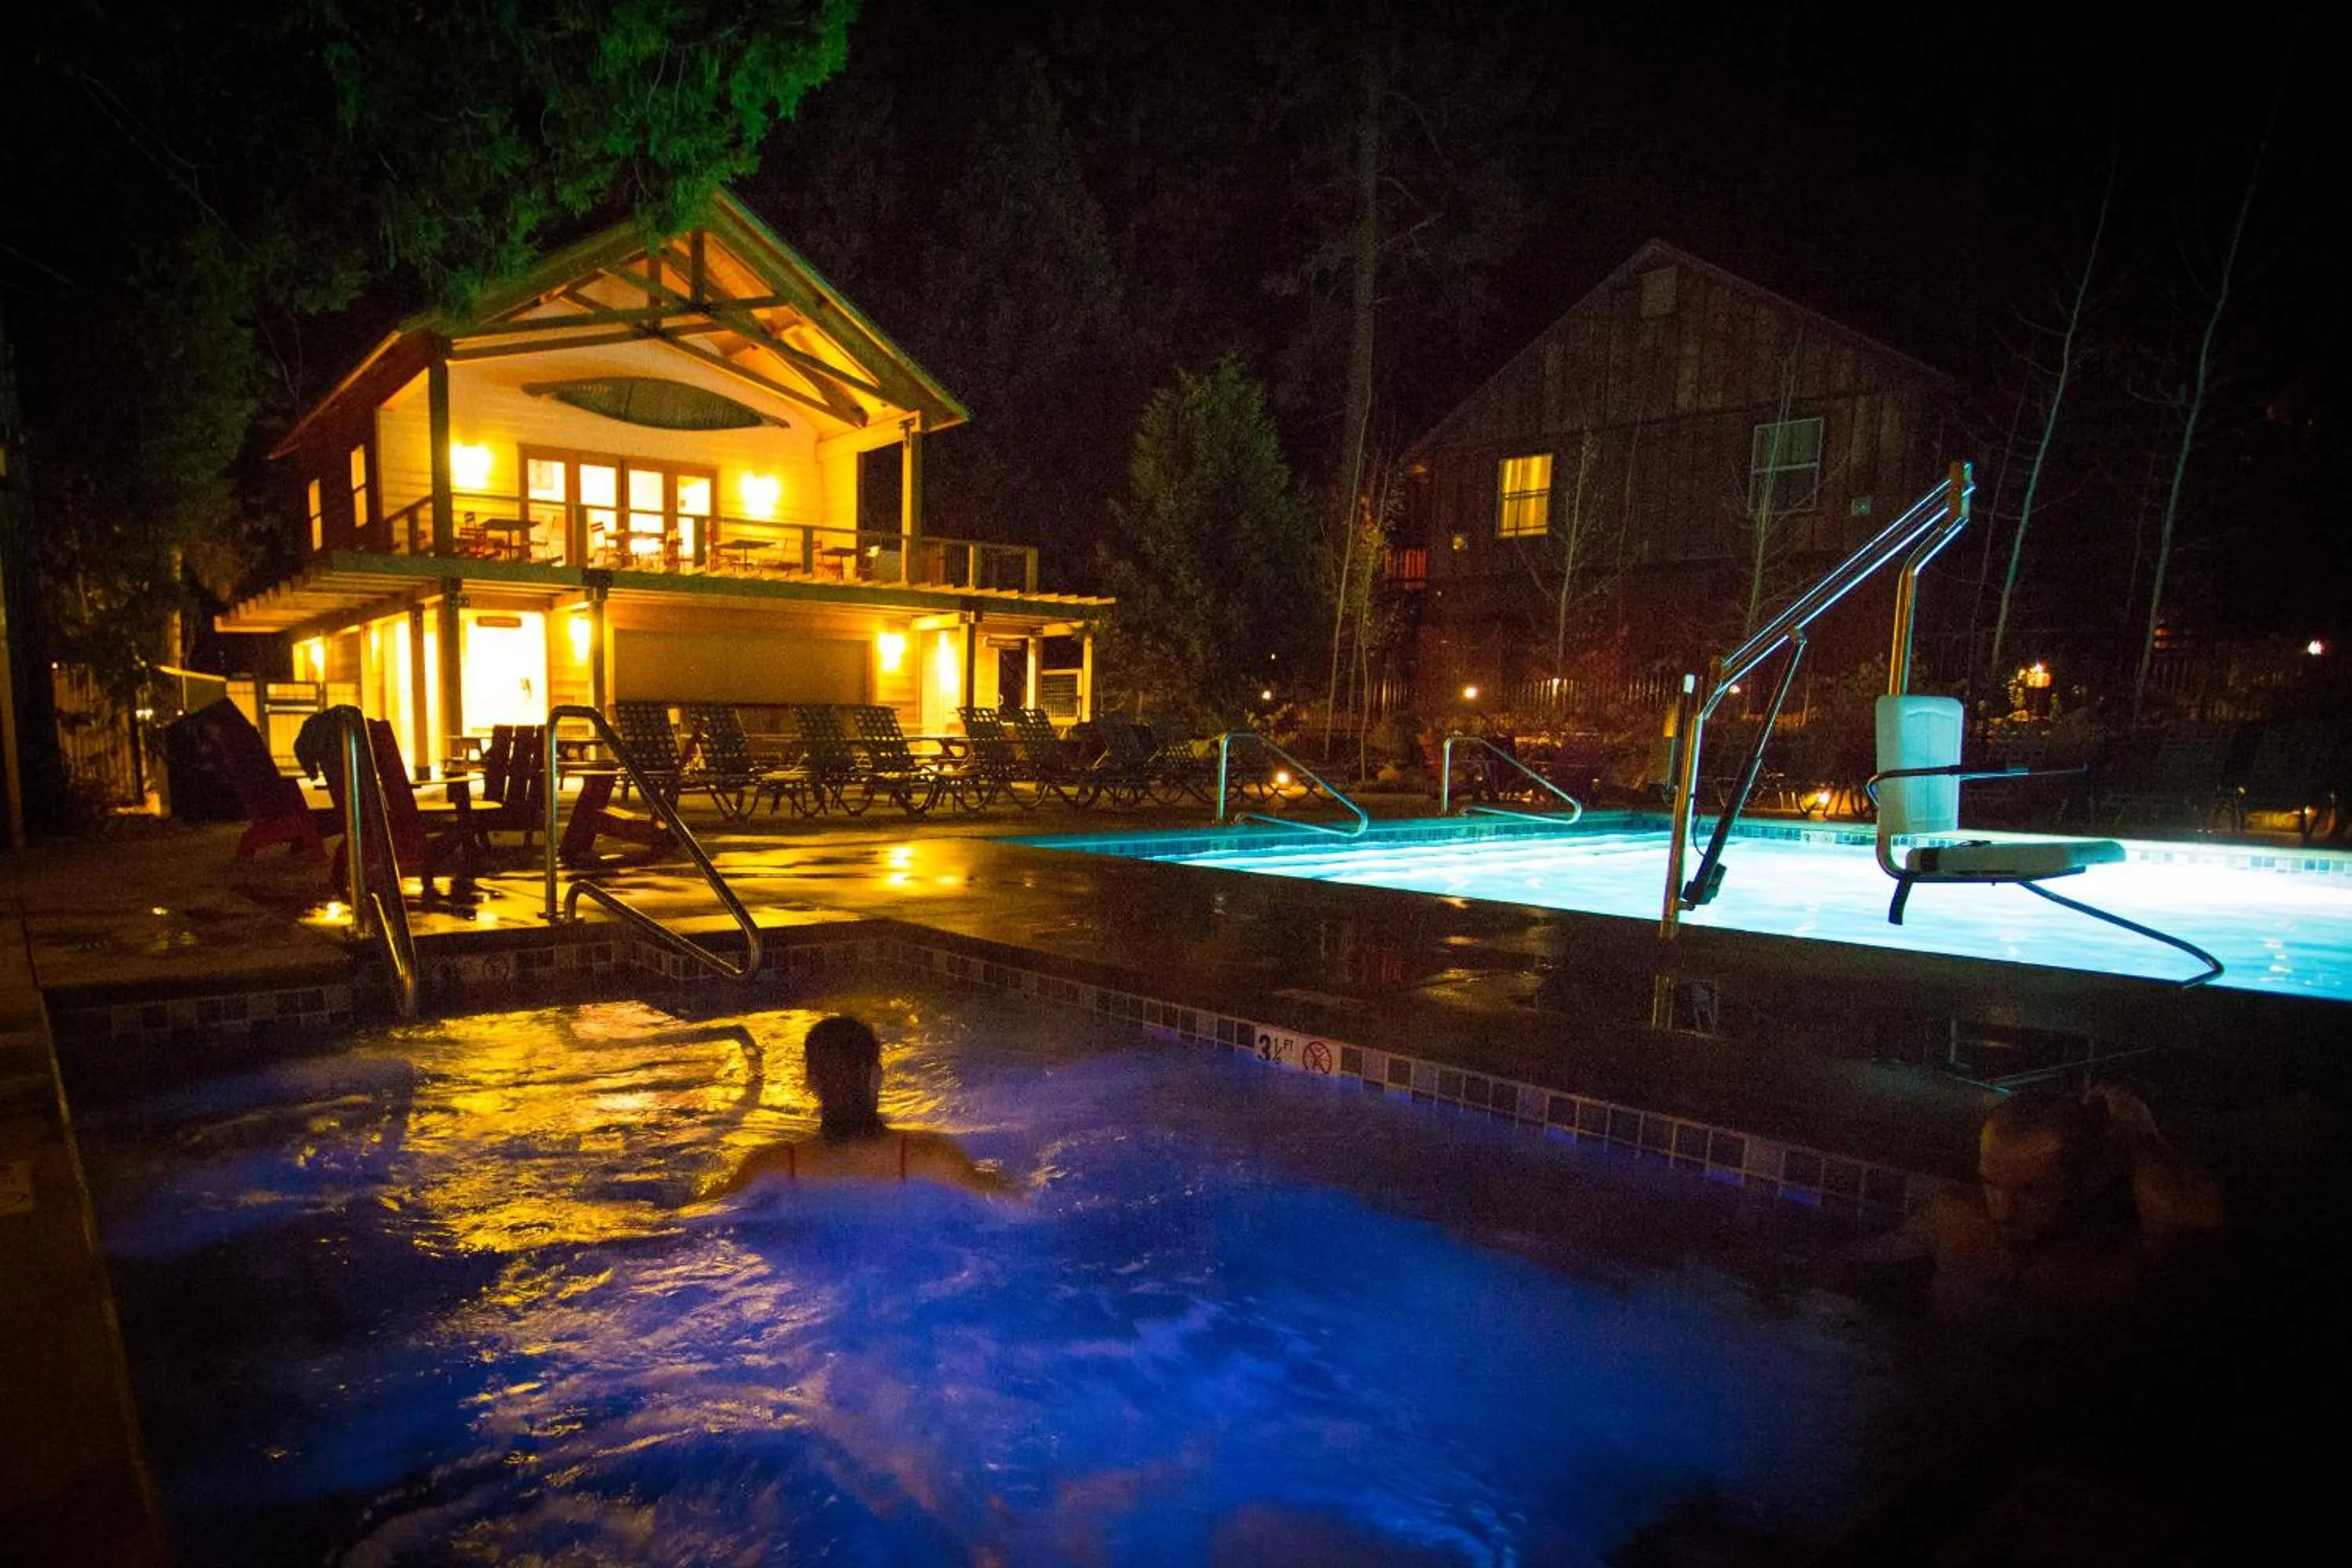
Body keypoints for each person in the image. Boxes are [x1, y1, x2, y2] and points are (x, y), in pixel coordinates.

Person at [1851, 1083, 2223, 1319]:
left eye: (2030, 1192)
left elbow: (2191, 1230)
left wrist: (2141, 1137)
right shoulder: (1954, 1220)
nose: (2003, 1211)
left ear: (2090, 1180)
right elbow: (1847, 1268)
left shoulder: (2112, 1271)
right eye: (1991, 1184)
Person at [706, 1016, 1019, 1200]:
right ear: (876, 1076)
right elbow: (1017, 1208)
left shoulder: (770, 1166)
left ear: (811, 1083)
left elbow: (694, 1217)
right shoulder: (932, 1159)